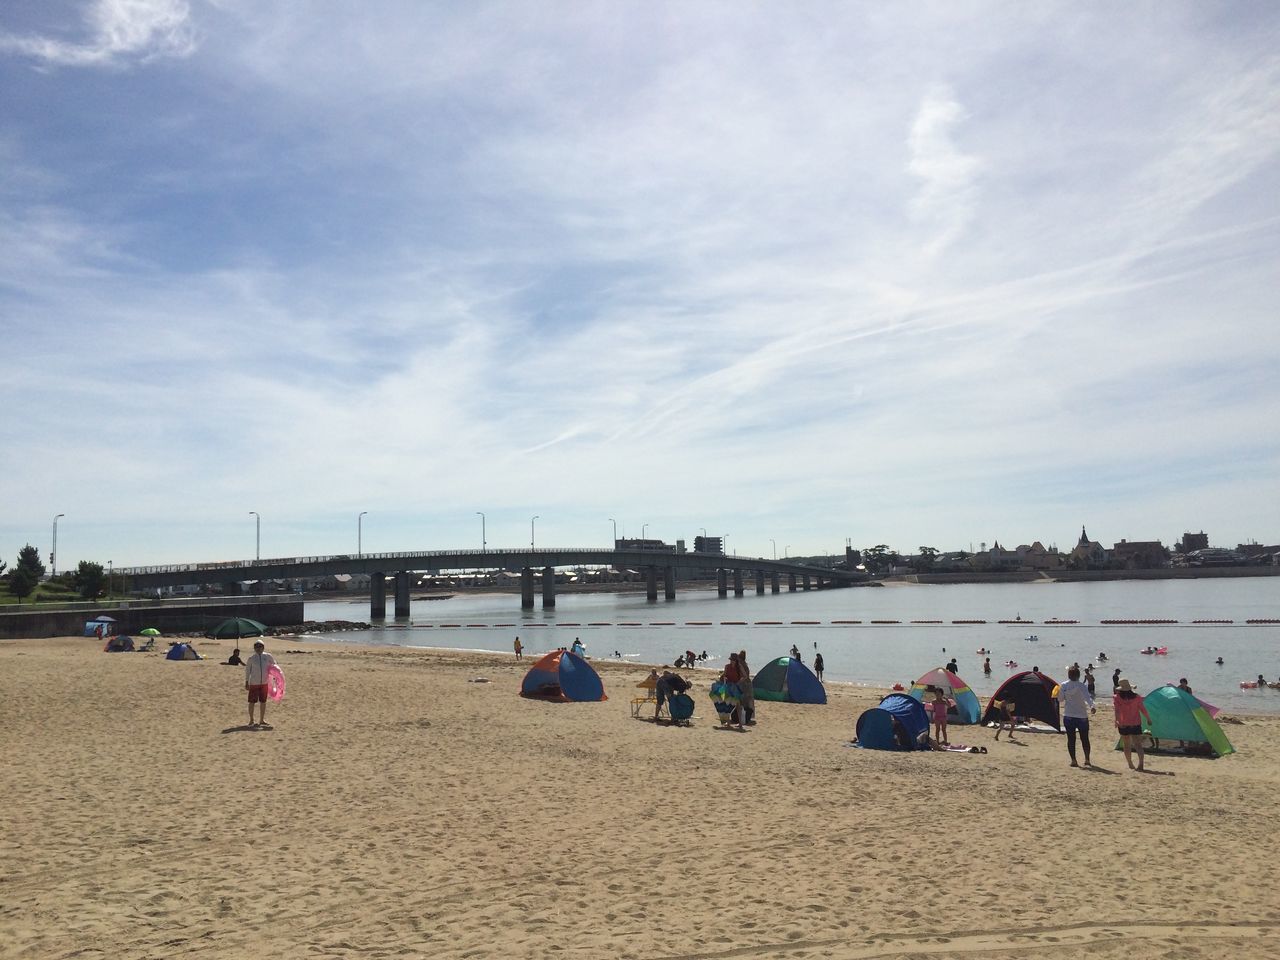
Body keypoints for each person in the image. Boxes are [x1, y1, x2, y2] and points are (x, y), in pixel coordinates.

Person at [1055, 666, 1096, 767]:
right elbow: (1088, 698)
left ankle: (1074, 760)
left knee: (1071, 739)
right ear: (1078, 675)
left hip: (1069, 715)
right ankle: (1087, 759)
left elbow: (1060, 699)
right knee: (1085, 738)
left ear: (1069, 675)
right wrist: (1092, 706)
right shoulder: (1082, 686)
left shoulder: (1064, 685)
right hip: (1081, 715)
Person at [1113, 679, 1150, 771]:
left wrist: (1117, 721)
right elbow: (1143, 709)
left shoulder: (1117, 698)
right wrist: (1148, 718)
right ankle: (1141, 764)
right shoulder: (1137, 697)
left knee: (1126, 745)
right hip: (1135, 723)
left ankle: (1130, 764)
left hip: (1123, 723)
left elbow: (1117, 711)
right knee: (1138, 745)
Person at [244, 640, 278, 728]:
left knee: (263, 702)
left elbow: (274, 666)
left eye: (260, 647)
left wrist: (276, 677)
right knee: (252, 702)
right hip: (254, 683)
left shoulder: (268, 656)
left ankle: (262, 720)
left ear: (263, 647)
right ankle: (251, 720)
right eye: (256, 647)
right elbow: (248, 671)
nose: (258, 649)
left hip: (264, 683)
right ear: (254, 648)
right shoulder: (251, 658)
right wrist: (247, 682)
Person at [723, 653, 747, 730]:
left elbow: (745, 676)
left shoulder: (739, 667)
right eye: (731, 660)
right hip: (729, 686)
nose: (732, 661)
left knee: (737, 705)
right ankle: (728, 722)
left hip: (736, 687)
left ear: (736, 660)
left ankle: (740, 723)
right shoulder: (727, 666)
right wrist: (724, 679)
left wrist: (739, 682)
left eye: (733, 660)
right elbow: (724, 675)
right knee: (727, 704)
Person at [737, 650, 756, 725]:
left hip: (744, 684)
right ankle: (749, 716)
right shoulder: (745, 664)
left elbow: (743, 675)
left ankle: (744, 716)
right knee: (749, 700)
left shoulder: (740, 664)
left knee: (743, 701)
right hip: (748, 684)